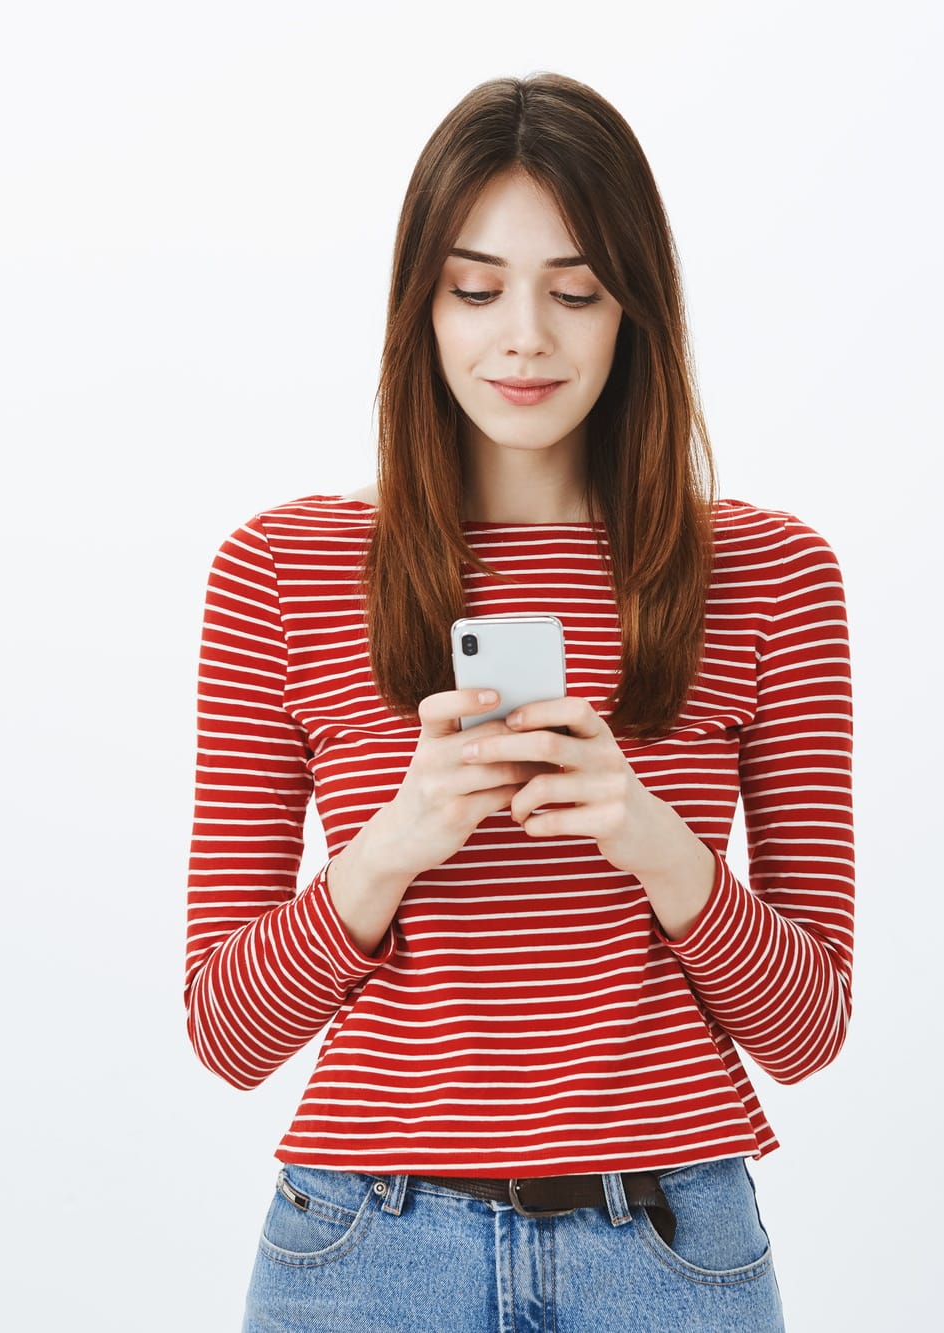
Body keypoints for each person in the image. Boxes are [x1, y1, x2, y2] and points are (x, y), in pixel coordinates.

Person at [182, 71, 855, 1333]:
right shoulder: (284, 572)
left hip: (665, 1250)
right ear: (420, 310)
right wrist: (394, 843)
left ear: (633, 311)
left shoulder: (769, 576)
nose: (524, 338)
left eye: (576, 290)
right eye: (477, 289)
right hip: (363, 1254)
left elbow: (810, 1026)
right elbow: (224, 1031)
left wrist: (649, 835)